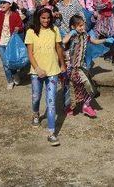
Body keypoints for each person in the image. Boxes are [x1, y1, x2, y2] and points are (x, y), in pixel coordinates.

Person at [25, 8, 65, 146]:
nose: (46, 20)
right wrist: (37, 68)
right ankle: (36, 113)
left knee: (51, 101)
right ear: (38, 18)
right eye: (43, 18)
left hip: (52, 71)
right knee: (36, 96)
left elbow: (58, 48)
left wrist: (62, 64)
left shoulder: (55, 30)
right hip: (36, 72)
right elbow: (30, 53)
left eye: (48, 18)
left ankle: (52, 133)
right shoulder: (30, 32)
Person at [62, 15, 111, 118]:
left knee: (84, 86)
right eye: (79, 26)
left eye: (83, 25)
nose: (82, 27)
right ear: (73, 26)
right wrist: (71, 33)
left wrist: (105, 40)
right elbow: (64, 41)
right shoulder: (73, 35)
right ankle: (74, 106)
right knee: (77, 87)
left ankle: (84, 106)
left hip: (81, 67)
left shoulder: (85, 35)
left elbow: (94, 41)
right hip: (72, 68)